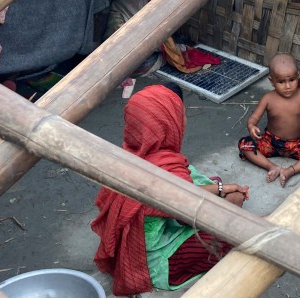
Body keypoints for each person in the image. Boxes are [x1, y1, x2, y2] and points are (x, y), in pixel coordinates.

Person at [91, 84, 249, 295]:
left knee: (210, 183)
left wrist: (219, 188)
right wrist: (228, 191)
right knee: (233, 227)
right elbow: (189, 216)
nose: (184, 120)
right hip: (155, 264)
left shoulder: (129, 155)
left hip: (141, 240)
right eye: (180, 115)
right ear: (167, 124)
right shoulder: (166, 175)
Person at [238, 53, 300, 186]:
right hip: (271, 142)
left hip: (297, 144)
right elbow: (254, 118)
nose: (287, 86)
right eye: (281, 82)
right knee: (244, 143)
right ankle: (271, 167)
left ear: (297, 77)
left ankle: (290, 171)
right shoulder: (268, 98)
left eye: (292, 80)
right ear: (271, 81)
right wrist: (251, 126)